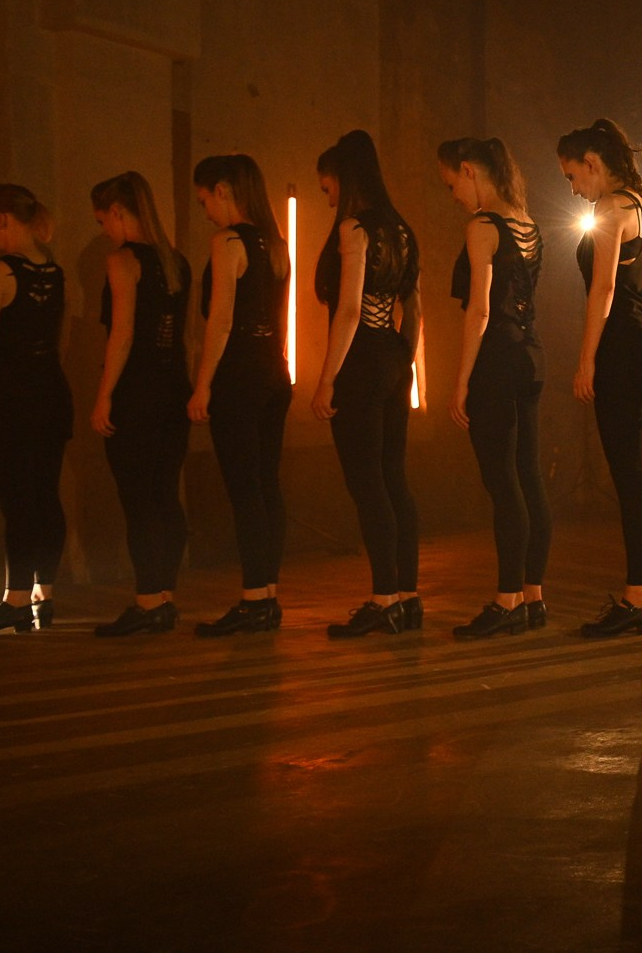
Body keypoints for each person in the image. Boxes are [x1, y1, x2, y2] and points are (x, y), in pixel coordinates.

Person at [559, 119, 642, 638]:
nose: (573, 188)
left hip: (624, 350)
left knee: (631, 479)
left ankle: (635, 599)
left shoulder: (609, 208)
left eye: (572, 175)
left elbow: (603, 290)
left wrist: (587, 359)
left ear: (592, 162)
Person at [312, 130, 423, 639]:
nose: (327, 196)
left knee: (367, 481)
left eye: (327, 185)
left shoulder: (356, 229)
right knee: (392, 476)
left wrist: (326, 379)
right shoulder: (401, 229)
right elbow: (413, 305)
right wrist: (404, 353)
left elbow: (351, 309)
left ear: (344, 177)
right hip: (395, 358)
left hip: (360, 362)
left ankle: (383, 600)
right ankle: (406, 596)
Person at [439, 137, 552, 639]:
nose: (455, 195)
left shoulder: (483, 226)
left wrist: (460, 381)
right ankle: (532, 597)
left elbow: (480, 311)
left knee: (503, 482)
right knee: (528, 477)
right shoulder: (527, 224)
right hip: (530, 355)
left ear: (470, 171)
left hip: (498, 360)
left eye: (452, 183)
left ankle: (506, 602)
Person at [0, 184, 73, 636]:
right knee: (45, 495)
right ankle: (45, 592)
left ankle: (16, 600)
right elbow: (58, 340)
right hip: (50, 393)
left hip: (8, 399)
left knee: (17, 500)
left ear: (3, 219)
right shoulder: (55, 272)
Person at [188, 154, 293, 638]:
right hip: (274, 371)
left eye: (206, 197)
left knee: (245, 489)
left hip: (240, 374)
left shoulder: (227, 242)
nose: (205, 208)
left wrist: (203, 382)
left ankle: (254, 599)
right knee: (266, 485)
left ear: (224, 190)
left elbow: (222, 320)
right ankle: (266, 595)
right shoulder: (276, 244)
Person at [89, 172, 192, 637]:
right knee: (165, 494)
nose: (104, 230)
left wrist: (104, 394)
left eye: (102, 220)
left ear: (117, 212)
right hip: (174, 388)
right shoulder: (177, 262)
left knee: (138, 499)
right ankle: (164, 596)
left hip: (137, 391)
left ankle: (148, 600)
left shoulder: (123, 260)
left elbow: (123, 333)